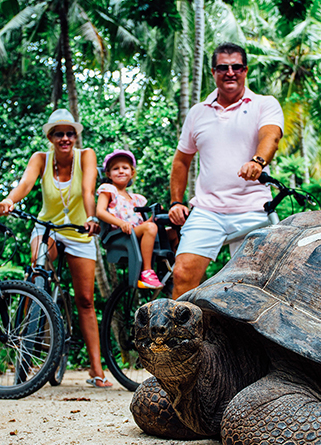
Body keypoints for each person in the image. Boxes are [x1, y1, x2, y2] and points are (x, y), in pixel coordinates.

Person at [0, 109, 112, 388]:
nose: (65, 138)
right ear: (50, 137)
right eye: (59, 133)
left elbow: (87, 191)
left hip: (80, 231)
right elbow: (25, 184)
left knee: (85, 300)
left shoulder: (86, 156)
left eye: (70, 133)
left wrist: (93, 218)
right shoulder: (41, 159)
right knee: (37, 269)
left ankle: (96, 369)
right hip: (47, 228)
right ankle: (35, 323)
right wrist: (9, 200)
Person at [168, 42, 285, 298]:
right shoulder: (198, 112)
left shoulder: (264, 104)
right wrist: (176, 202)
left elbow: (271, 136)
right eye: (223, 67)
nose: (230, 72)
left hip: (253, 209)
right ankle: (178, 338)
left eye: (236, 67)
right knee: (183, 274)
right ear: (213, 72)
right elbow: (181, 161)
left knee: (255, 289)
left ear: (245, 70)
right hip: (207, 210)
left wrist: (257, 162)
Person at [96, 149, 164, 289]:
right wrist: (121, 223)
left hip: (135, 232)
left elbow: (143, 225)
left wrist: (154, 217)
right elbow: (100, 212)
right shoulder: (108, 189)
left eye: (125, 168)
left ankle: (167, 270)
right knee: (150, 228)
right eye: (116, 168)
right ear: (108, 174)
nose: (121, 171)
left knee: (169, 232)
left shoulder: (136, 199)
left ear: (132, 172)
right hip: (120, 234)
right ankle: (147, 271)